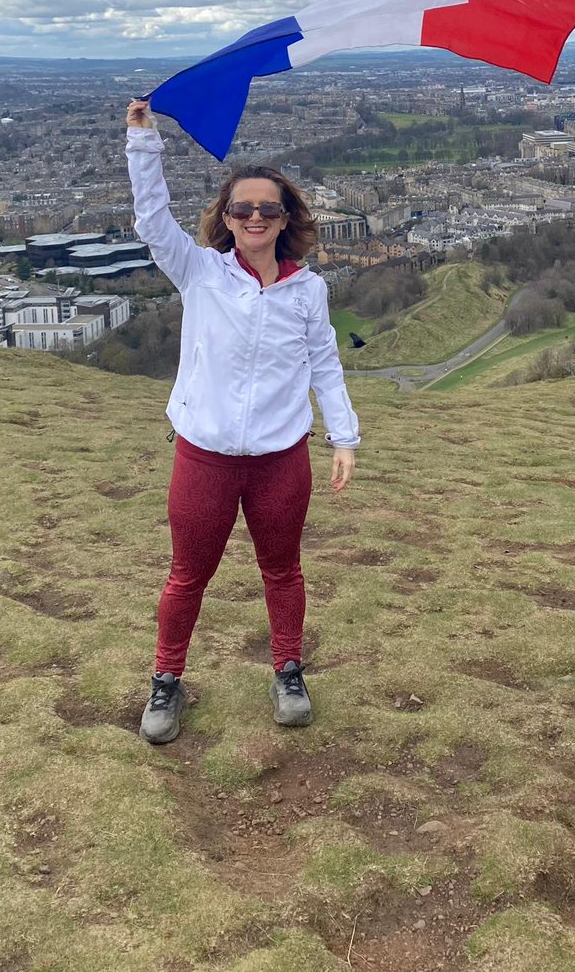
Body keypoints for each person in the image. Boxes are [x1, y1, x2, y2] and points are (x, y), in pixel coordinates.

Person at [125, 98, 359, 743]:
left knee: (282, 569)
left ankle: (287, 668)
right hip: (205, 454)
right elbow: (151, 220)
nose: (254, 217)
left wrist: (344, 438)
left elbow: (325, 366)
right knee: (187, 574)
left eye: (268, 208)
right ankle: (167, 679)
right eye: (241, 208)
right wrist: (143, 142)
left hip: (281, 458)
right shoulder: (198, 272)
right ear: (225, 219)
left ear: (287, 220)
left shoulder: (307, 290)